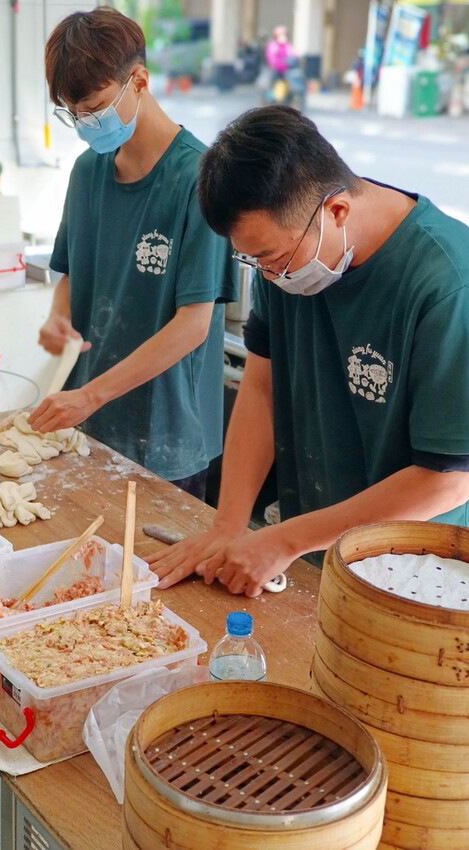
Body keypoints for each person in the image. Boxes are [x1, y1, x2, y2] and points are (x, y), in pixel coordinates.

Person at [149, 105, 469, 595]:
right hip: (312, 550)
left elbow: (446, 480)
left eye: (273, 259)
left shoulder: (447, 284)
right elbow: (260, 387)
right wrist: (229, 527)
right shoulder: (290, 254)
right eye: (253, 260)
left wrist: (283, 540)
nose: (269, 276)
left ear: (336, 210)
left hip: (420, 573)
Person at [28, 8, 236, 500]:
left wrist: (91, 394)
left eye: (95, 108)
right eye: (72, 113)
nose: (84, 125)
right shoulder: (87, 172)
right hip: (89, 424)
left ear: (138, 80)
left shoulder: (200, 180)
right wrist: (59, 316)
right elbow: (75, 271)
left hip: (166, 438)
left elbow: (193, 325)